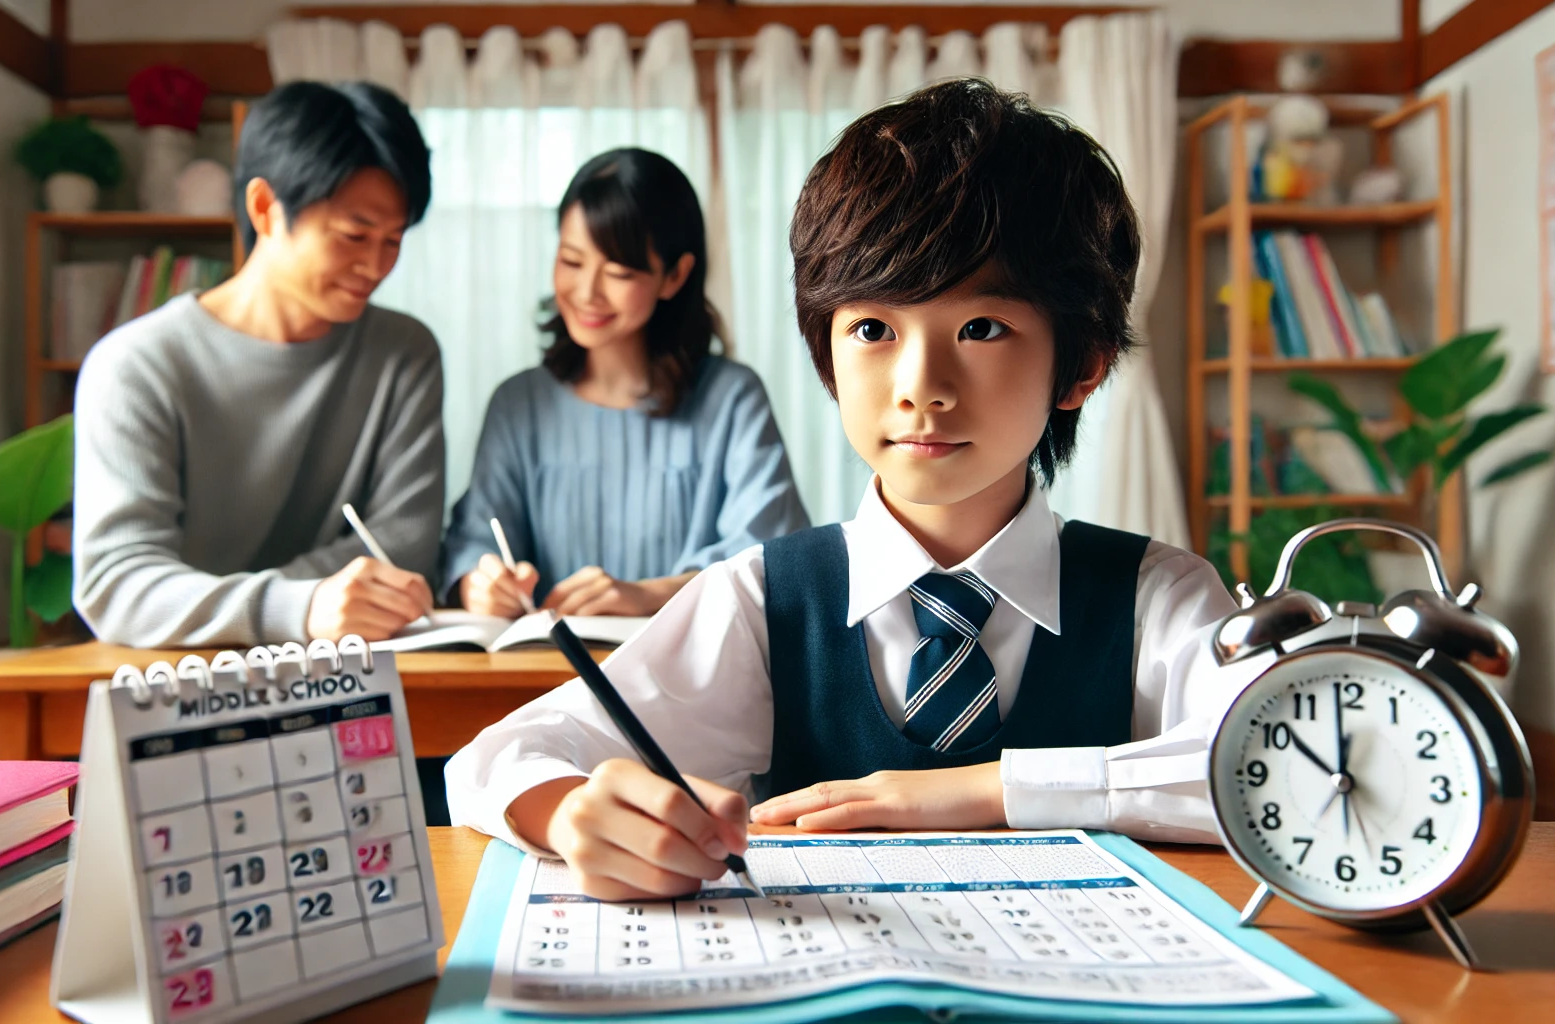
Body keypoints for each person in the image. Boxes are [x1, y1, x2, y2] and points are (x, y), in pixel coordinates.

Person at [446, 80, 1248, 901]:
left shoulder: (1156, 596)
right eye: (873, 330)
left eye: (981, 329)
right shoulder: (764, 600)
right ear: (826, 351)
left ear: (1081, 365)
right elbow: (496, 760)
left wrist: (981, 794)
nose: (920, 387)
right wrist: (573, 812)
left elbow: (1291, 758)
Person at [74, 81, 443, 648]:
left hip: (353, 681)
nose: (376, 264)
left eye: (393, 239)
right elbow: (116, 583)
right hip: (181, 689)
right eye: (354, 235)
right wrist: (298, 606)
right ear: (266, 208)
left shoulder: (403, 353)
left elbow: (406, 543)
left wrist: (212, 601)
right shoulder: (137, 366)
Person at [439, 148, 809, 618]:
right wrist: (479, 583)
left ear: (674, 276)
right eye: (571, 261)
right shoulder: (519, 404)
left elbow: (778, 559)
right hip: (540, 681)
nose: (587, 292)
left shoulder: (732, 399)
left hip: (699, 684)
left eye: (618, 272)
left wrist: (650, 596)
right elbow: (474, 538)